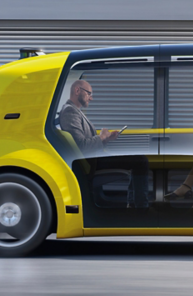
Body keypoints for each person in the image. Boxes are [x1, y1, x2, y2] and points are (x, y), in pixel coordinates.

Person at [59, 79, 149, 208]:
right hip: (92, 161)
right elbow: (82, 146)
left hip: (95, 156)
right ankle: (141, 208)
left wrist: (107, 139)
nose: (91, 98)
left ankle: (134, 204)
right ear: (77, 90)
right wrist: (101, 138)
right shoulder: (70, 112)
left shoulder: (75, 111)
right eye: (89, 93)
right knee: (141, 161)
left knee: (138, 158)